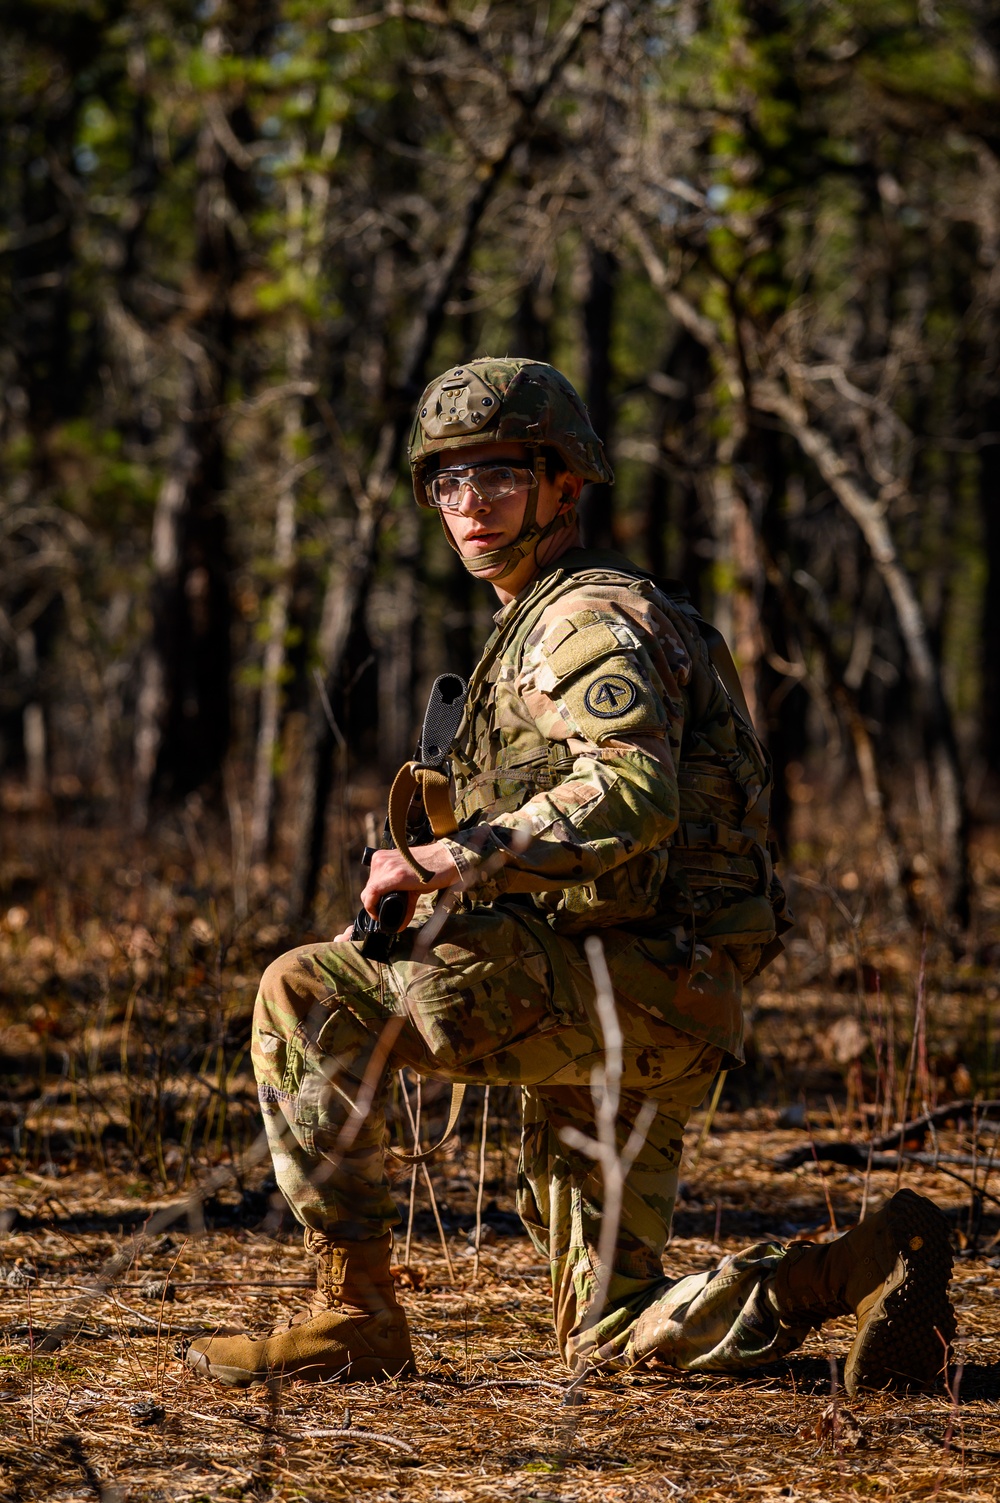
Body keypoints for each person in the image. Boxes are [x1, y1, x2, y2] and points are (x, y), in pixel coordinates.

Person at [185, 357, 955, 1394]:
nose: (469, 505)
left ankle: (355, 1315)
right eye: (447, 482)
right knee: (608, 1332)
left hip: (610, 987)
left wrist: (452, 857)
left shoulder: (579, 621)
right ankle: (860, 1266)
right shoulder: (568, 620)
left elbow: (634, 789)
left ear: (564, 485)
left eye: (498, 475)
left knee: (304, 992)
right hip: (665, 1007)